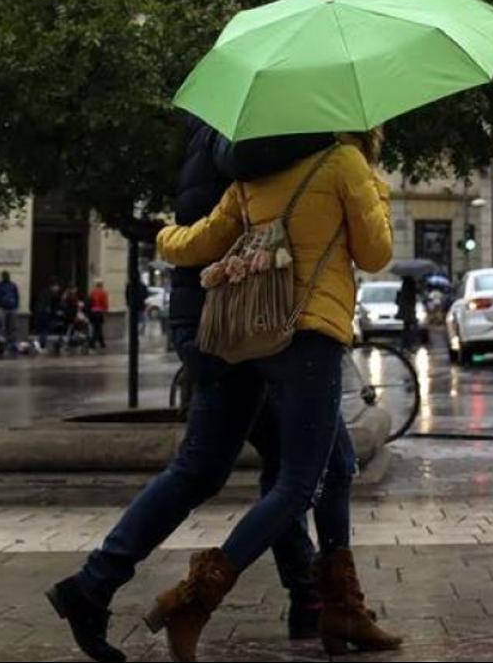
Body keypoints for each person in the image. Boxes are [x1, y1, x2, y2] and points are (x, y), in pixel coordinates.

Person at [48, 117, 346, 662]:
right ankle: (100, 584)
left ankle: (314, 599)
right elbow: (243, 189)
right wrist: (332, 140)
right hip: (241, 320)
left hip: (238, 317)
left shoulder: (217, 129)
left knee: (292, 463)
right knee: (231, 469)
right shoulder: (250, 140)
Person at [145, 127, 400, 660]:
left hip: (266, 335)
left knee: (341, 464)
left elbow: (201, 242)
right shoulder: (344, 164)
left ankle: (342, 608)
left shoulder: (253, 174)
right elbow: (375, 254)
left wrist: (164, 237)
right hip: (313, 335)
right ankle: (195, 598)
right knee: (297, 485)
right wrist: (378, 191)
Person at [0, 271, 21, 357]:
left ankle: (12, 345)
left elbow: (17, 296)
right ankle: (3, 345)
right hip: (4, 309)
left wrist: (16, 306)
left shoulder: (11, 286)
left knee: (11, 328)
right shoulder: (0, 286)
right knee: (3, 328)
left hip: (10, 309)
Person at [396, 276, 419, 351]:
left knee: (407, 327)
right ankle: (408, 344)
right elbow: (412, 297)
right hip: (408, 310)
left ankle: (405, 345)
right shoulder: (410, 285)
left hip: (405, 310)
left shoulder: (404, 285)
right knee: (413, 327)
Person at [88, 279, 109, 350]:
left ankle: (102, 343)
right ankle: (92, 343)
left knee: (97, 328)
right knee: (98, 329)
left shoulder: (92, 292)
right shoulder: (103, 293)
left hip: (92, 312)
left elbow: (89, 302)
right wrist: (105, 311)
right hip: (99, 312)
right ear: (101, 285)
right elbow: (105, 303)